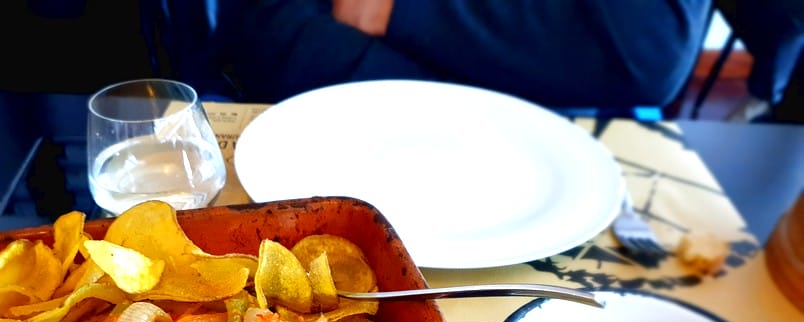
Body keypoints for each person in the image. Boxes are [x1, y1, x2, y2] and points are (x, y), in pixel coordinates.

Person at [226, 0, 713, 115]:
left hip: (541, 135)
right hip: (327, 82)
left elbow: (647, 55)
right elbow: (276, 36)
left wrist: (402, 13)